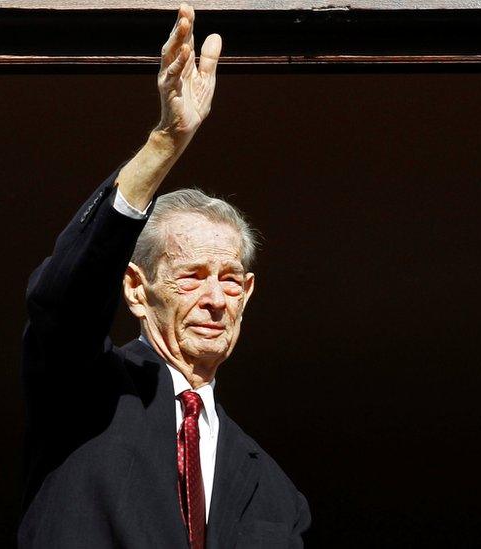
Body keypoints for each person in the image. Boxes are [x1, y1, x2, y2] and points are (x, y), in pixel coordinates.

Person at [17, 4, 310, 547]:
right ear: (136, 288)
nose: (214, 299)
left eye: (229, 280)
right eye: (191, 277)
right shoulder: (84, 392)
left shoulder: (275, 491)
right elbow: (63, 303)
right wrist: (165, 142)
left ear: (247, 294)